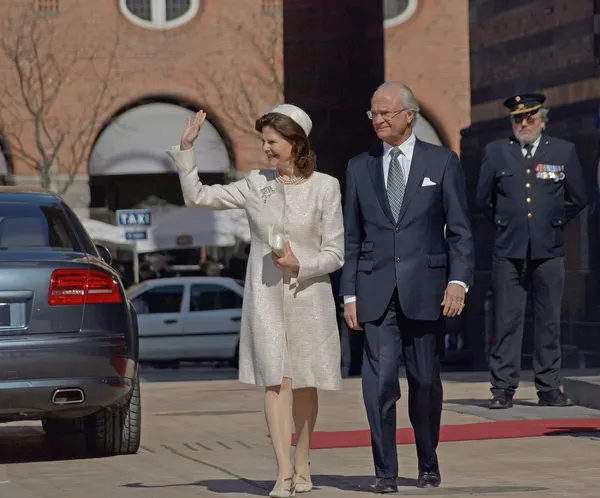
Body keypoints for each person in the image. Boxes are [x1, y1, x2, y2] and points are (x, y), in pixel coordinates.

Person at [166, 104, 344, 498]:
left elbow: (336, 253)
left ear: (296, 143)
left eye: (272, 141)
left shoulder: (326, 187)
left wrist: (303, 263)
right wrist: (187, 150)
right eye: (263, 140)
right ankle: (282, 472)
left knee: (306, 384)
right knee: (275, 381)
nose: (265, 148)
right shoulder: (254, 184)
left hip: (309, 296)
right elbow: (198, 196)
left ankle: (302, 461)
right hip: (265, 297)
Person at [340, 82, 474, 492]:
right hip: (376, 293)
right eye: (373, 114)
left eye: (386, 113)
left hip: (428, 290)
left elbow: (461, 232)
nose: (378, 120)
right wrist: (349, 293)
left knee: (426, 383)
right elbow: (351, 237)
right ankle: (385, 471)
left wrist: (458, 281)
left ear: (409, 115)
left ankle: (428, 461)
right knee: (378, 385)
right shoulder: (358, 167)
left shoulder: (443, 162)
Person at [476, 93, 587, 409]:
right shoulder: (496, 152)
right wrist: (506, 223)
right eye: (517, 118)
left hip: (548, 250)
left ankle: (549, 388)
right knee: (506, 322)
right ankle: (502, 389)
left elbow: (577, 197)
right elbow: (483, 200)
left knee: (549, 321)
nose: (524, 123)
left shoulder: (563, 151)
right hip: (508, 251)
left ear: (542, 120)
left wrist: (552, 221)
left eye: (530, 118)